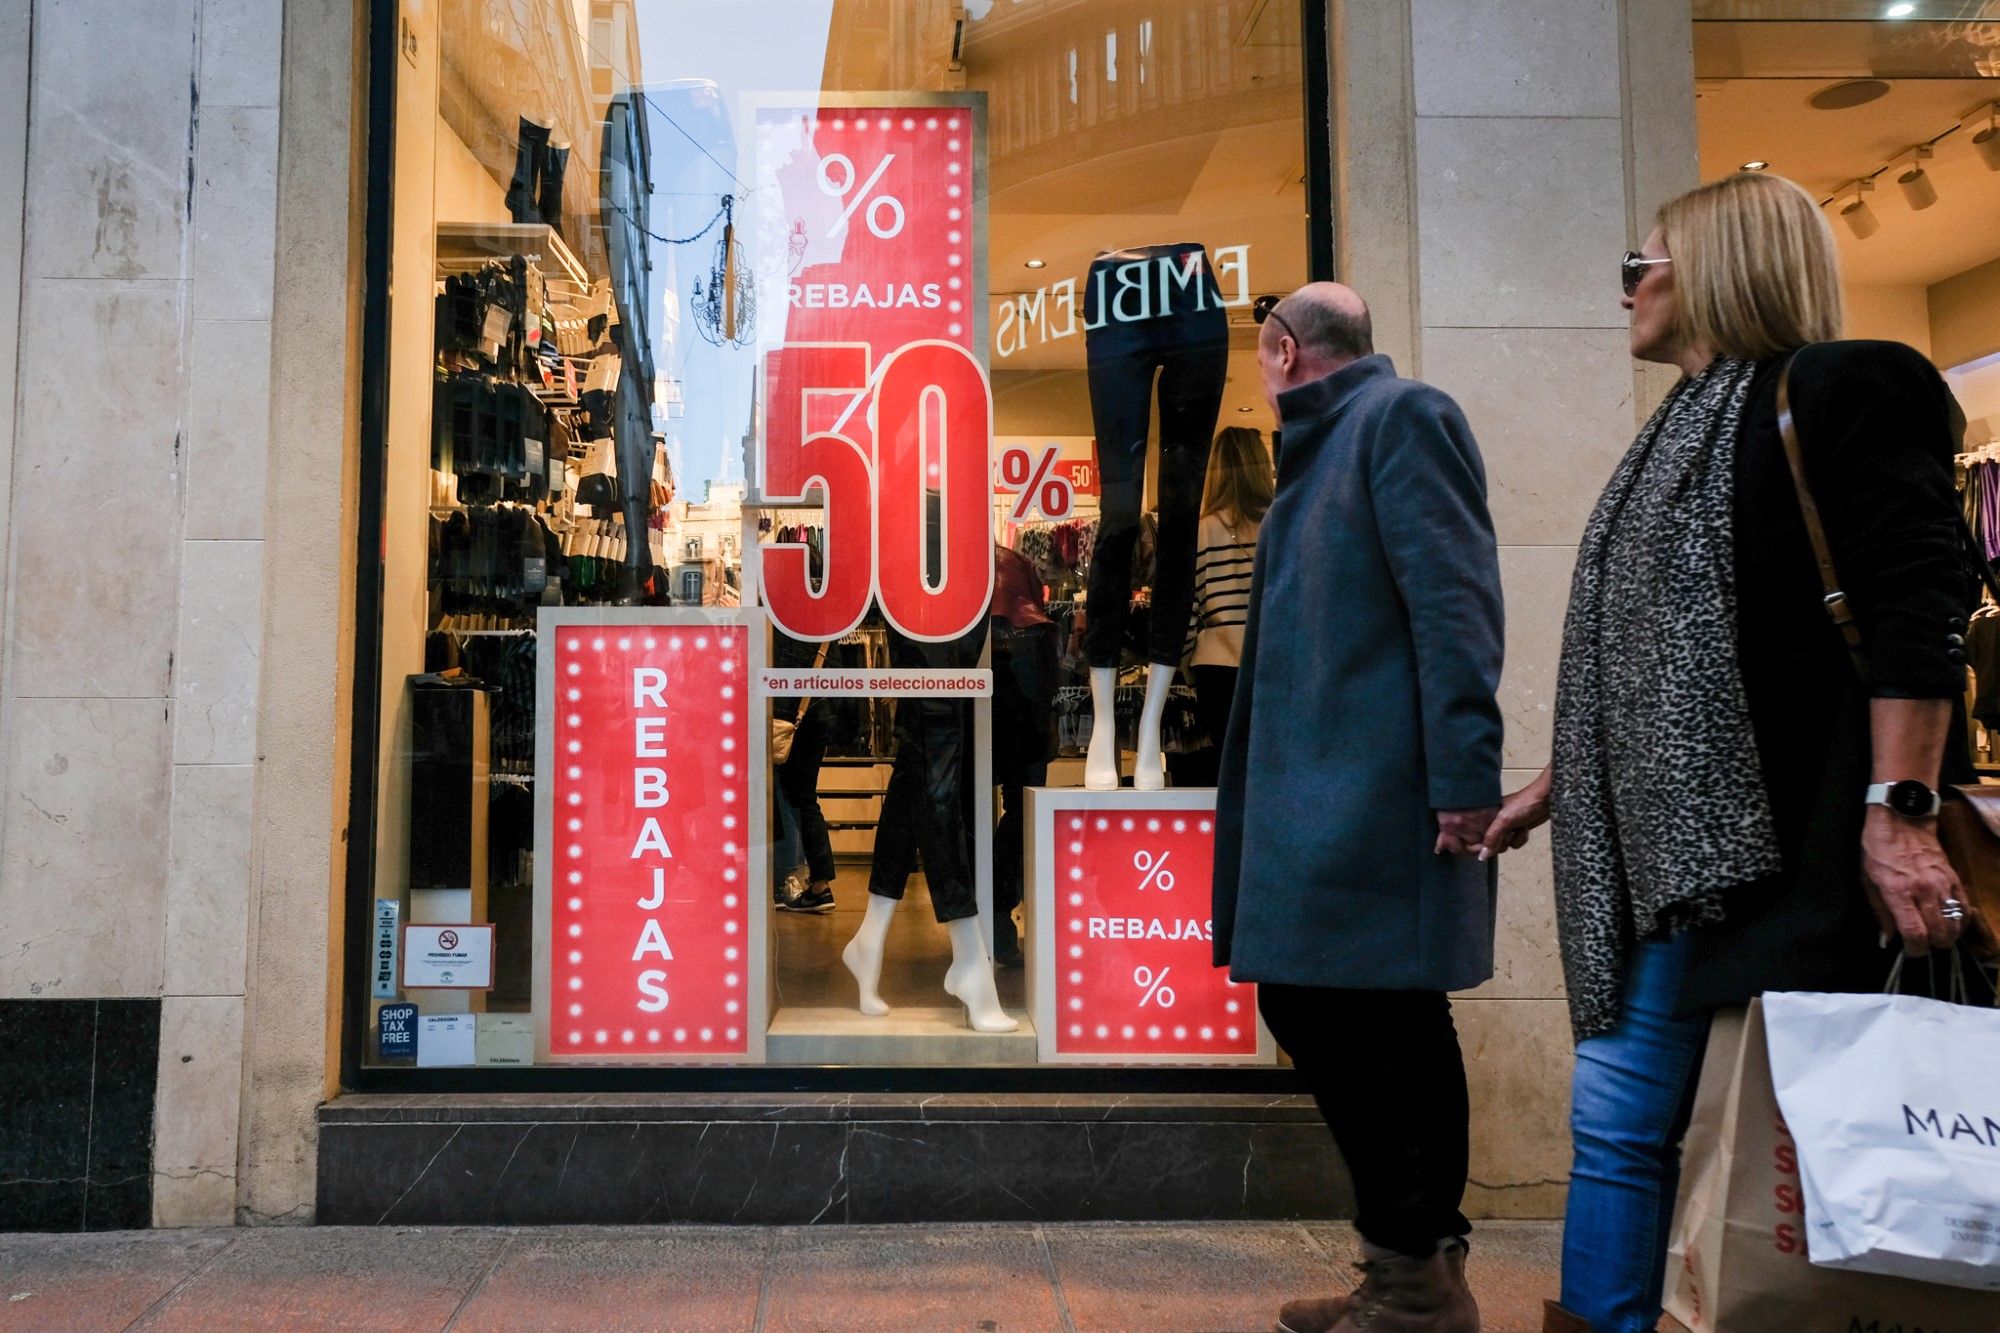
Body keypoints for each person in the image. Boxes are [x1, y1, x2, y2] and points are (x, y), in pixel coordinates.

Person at [1476, 172, 1973, 1333]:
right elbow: (1648, 665)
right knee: (1621, 1116)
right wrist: (1558, 786)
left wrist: (1897, 812)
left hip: (1792, 839)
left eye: (1635, 265)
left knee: (1691, 1124)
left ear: (1709, 266)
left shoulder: (1847, 385)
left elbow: (1918, 610)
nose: (1624, 294)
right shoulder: (1679, 433)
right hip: (1677, 862)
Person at [1211, 282, 1503, 1333]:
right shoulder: (1320, 447)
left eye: (1259, 353)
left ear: (1282, 350)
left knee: (1344, 1007)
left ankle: (1412, 1271)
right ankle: (1411, 1269)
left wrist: (1465, 779)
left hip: (1372, 797)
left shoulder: (1398, 419)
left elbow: (1455, 604)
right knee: (1369, 1011)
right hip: (1326, 793)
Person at [1182, 425, 1274, 786]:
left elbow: (1188, 612)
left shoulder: (1202, 530)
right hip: (1272, 657)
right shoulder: (1280, 524)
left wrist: (1188, 664)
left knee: (1227, 769)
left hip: (1215, 665)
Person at [990, 543, 1059, 966]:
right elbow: (1047, 687)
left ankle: (992, 913)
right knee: (1019, 819)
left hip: (994, 722)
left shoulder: (966, 577)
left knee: (976, 816)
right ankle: (1001, 908)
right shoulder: (1037, 633)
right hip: (1026, 726)